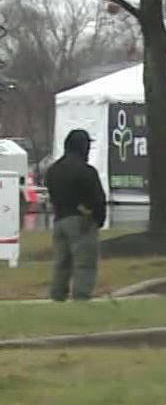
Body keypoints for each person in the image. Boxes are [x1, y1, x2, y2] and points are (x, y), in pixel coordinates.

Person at [44, 128, 107, 301]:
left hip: (59, 220)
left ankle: (57, 296)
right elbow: (98, 198)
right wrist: (98, 219)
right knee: (84, 263)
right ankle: (81, 298)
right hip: (83, 220)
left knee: (61, 263)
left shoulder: (53, 171)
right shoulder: (87, 171)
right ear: (83, 147)